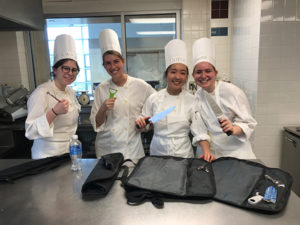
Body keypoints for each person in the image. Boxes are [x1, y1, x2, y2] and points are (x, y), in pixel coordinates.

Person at [136, 39, 215, 161]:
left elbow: (199, 130)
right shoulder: (154, 99)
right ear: (166, 74)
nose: (177, 77)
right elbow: (144, 125)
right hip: (157, 153)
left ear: (187, 77)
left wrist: (206, 152)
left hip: (182, 155)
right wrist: (141, 123)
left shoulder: (192, 100)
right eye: (173, 72)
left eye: (182, 73)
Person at [90, 29, 156, 160]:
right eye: (108, 63)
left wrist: (146, 122)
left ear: (123, 61)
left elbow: (159, 107)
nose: (113, 66)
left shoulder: (141, 85)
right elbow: (97, 125)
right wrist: (103, 108)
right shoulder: (101, 89)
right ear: (104, 66)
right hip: (107, 148)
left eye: (116, 61)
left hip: (132, 149)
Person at [192, 37, 257, 159]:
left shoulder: (232, 92)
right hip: (212, 154)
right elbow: (200, 130)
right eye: (199, 72)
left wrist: (233, 128)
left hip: (237, 154)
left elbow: (249, 123)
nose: (203, 76)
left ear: (215, 73)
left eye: (208, 71)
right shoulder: (197, 97)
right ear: (193, 75)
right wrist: (206, 152)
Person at [25, 34, 81, 159]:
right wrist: (54, 112)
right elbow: (30, 131)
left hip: (69, 152)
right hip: (46, 155)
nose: (70, 73)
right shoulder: (41, 93)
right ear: (55, 70)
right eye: (65, 68)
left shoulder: (70, 92)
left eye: (74, 70)